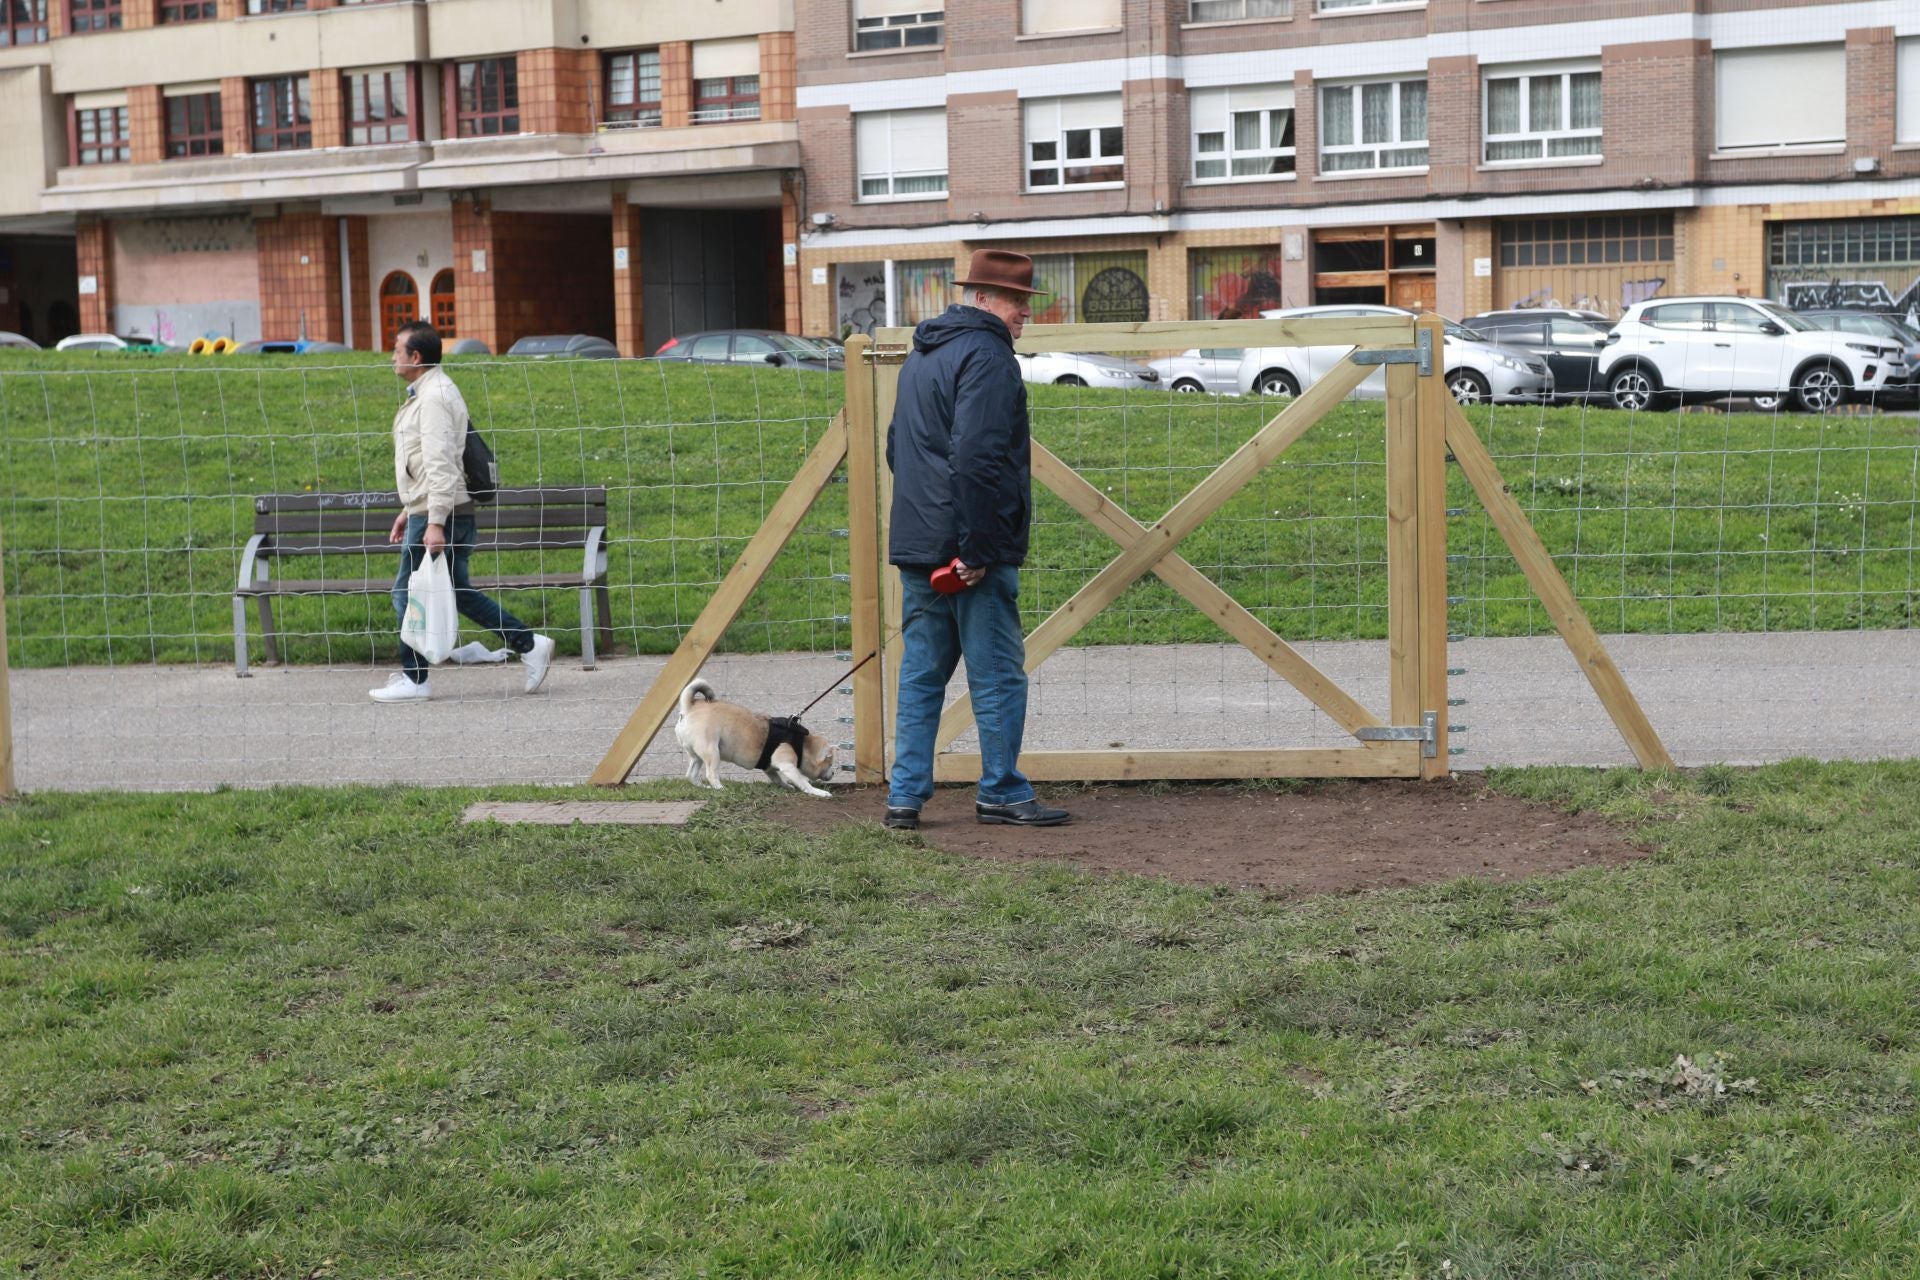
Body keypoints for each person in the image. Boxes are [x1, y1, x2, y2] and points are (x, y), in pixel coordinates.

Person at [882, 250, 1070, 830]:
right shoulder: (988, 355)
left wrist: (936, 531)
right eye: (1017, 302)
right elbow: (977, 456)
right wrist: (977, 547)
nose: (1024, 314)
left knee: (921, 674)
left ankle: (904, 796)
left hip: (919, 542)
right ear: (983, 298)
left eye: (1026, 303)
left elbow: (897, 447)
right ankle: (1003, 791)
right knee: (997, 674)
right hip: (967, 549)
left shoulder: (925, 353)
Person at [369, 320, 554, 702]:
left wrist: (433, 521)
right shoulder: (429, 390)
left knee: (407, 593)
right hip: (440, 510)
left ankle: (416, 679)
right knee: (455, 592)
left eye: (397, 350)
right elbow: (427, 465)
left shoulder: (433, 396)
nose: (392, 357)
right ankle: (529, 644)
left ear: (415, 357)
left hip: (444, 515)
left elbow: (439, 463)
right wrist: (410, 509)